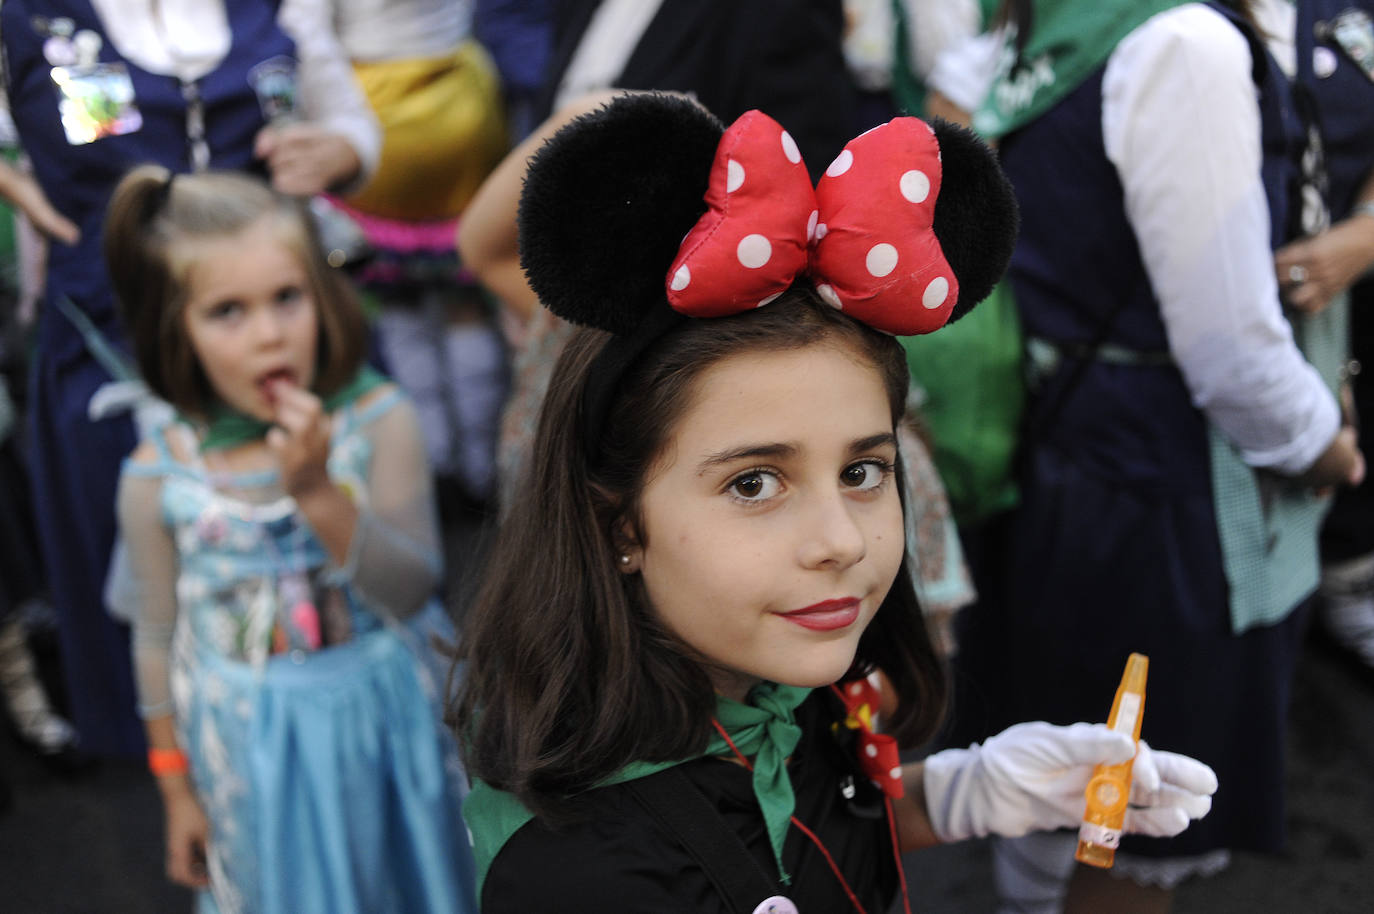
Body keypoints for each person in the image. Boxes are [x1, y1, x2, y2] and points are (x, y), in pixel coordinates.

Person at [451, 92, 1217, 913]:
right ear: (618, 525)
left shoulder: (788, 676)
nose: (840, 541)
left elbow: (829, 824)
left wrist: (965, 794)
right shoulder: (579, 877)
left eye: (863, 472)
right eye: (754, 483)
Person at [949, 1, 1366, 910]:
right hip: (1162, 485)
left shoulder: (1065, 18)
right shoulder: (1184, 41)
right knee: (1127, 824)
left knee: (1056, 769)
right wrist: (1324, 450)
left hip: (1062, 440)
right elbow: (1230, 349)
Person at [0, 0, 380, 757]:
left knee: (332, 582)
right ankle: (185, 770)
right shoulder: (26, 15)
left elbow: (355, 127)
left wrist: (341, 154)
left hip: (279, 346)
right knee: (156, 604)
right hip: (111, 353)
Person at [106, 166, 476, 913]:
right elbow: (155, 636)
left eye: (286, 298)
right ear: (175, 325)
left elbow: (410, 590)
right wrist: (176, 789)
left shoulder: (380, 420)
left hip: (390, 721)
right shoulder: (158, 475)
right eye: (227, 312)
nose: (270, 334)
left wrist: (316, 493)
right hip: (252, 751)